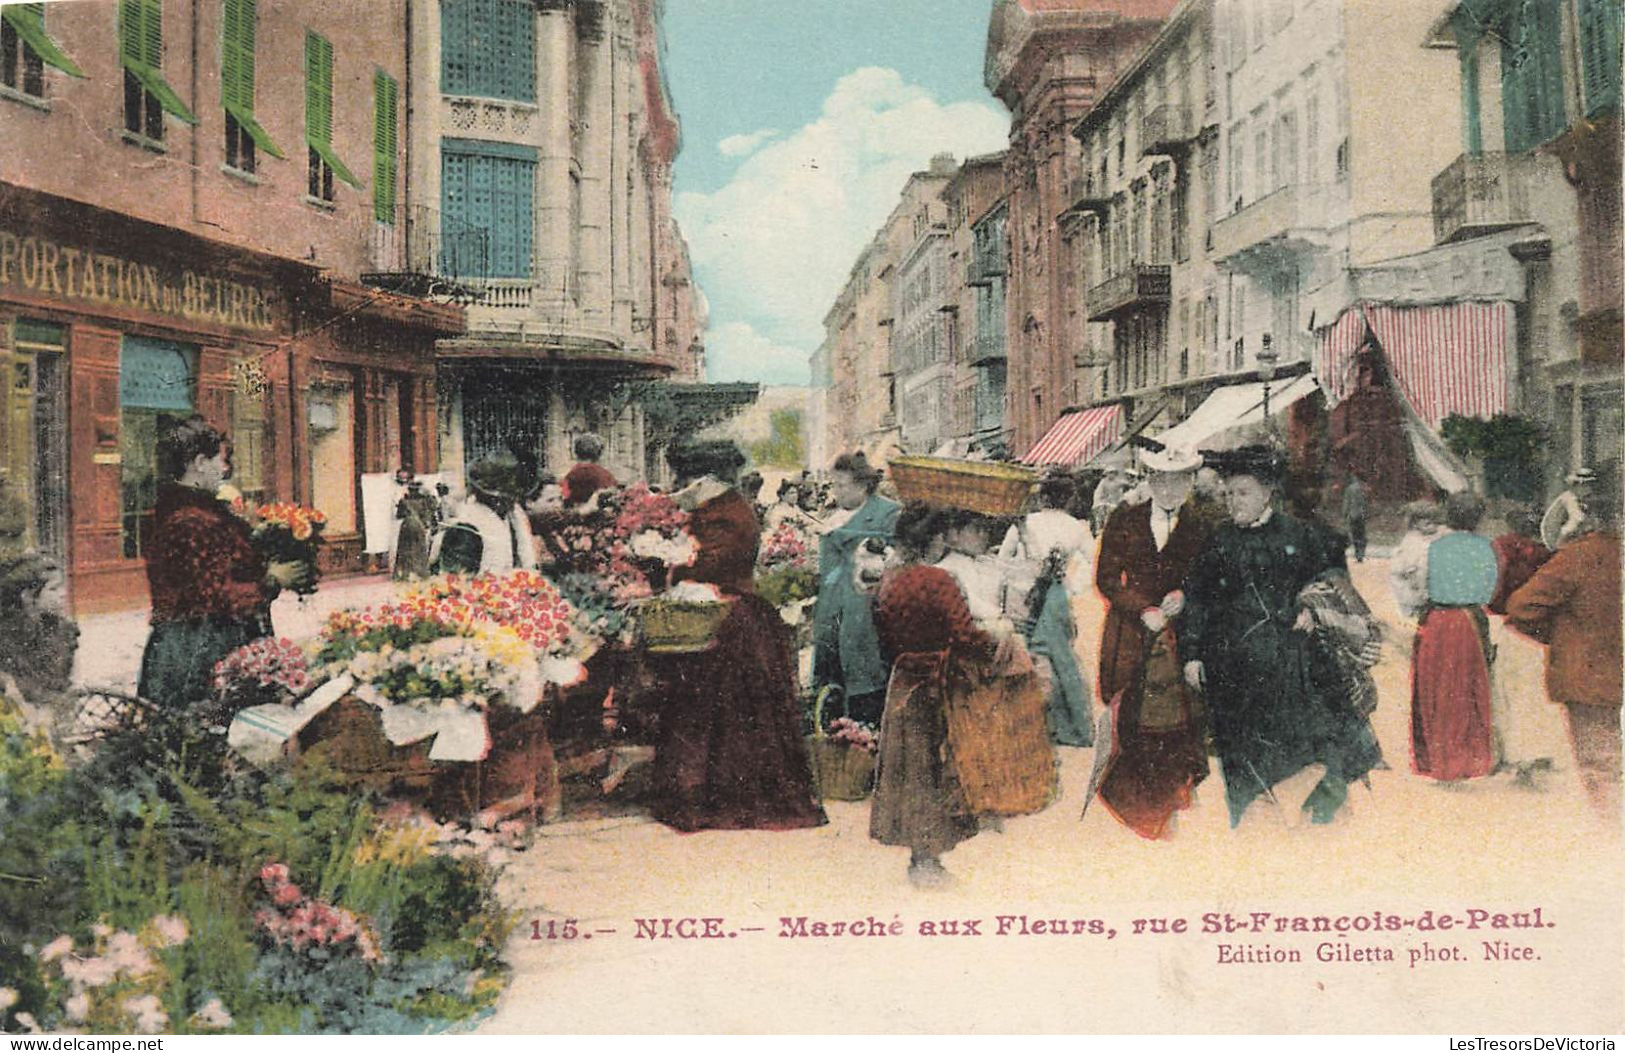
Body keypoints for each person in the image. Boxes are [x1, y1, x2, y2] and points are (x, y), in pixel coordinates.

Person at [1180, 445, 1382, 827]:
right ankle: (1253, 825)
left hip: (1291, 665)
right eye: (1228, 494)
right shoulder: (1216, 542)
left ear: (1267, 492)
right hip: (1230, 670)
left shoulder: (1304, 537)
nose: (1232, 502)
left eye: (1242, 493)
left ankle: (1312, 821)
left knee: (1304, 748)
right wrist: (1192, 653)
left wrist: (1312, 610)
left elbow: (1333, 588)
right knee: (1240, 757)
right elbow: (1197, 602)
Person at [646, 439, 827, 833]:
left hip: (729, 617)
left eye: (685, 477)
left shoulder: (725, 512)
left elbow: (713, 562)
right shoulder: (721, 506)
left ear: (704, 477)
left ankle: (713, 797)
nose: (681, 485)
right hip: (726, 612)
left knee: (719, 711)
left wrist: (671, 566)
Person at [871, 504, 1053, 886]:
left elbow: (885, 640)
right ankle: (928, 861)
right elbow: (965, 635)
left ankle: (918, 855)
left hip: (904, 681)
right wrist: (1001, 643)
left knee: (909, 769)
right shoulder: (939, 581)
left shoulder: (890, 581)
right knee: (936, 769)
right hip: (940, 682)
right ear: (935, 539)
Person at [138, 415, 308, 711]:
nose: (224, 469)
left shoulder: (193, 513)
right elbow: (212, 595)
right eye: (220, 460)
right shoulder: (191, 521)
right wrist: (272, 580)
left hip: (193, 643)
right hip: (198, 649)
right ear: (199, 463)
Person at [1091, 443, 1217, 839]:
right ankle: (1140, 813)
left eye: (1179, 479)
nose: (1170, 487)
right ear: (1150, 480)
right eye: (1162, 479)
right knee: (1130, 723)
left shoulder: (1204, 524)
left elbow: (1213, 579)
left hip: (1181, 637)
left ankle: (1168, 810)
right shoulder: (1124, 519)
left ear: (1190, 481)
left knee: (1179, 727)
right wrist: (1142, 608)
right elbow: (1107, 579)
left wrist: (1185, 594)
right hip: (1130, 634)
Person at [1505, 495, 1623, 822]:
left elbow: (1521, 607)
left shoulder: (1581, 556)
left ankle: (1611, 838)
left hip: (1592, 675)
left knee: (1603, 766)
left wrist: (1561, 637)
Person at [999, 473, 1094, 746]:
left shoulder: (1025, 523)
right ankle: (1070, 725)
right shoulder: (1076, 527)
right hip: (1057, 596)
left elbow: (1003, 561)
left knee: (1029, 655)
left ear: (1042, 497)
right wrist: (1072, 585)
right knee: (1061, 657)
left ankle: (1033, 722)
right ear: (1069, 498)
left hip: (1025, 596)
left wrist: (1016, 580)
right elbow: (1092, 562)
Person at [1410, 492, 1499, 783]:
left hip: (1437, 621)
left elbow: (1421, 587)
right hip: (1469, 622)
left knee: (1436, 689)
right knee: (1467, 689)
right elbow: (1489, 591)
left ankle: (1440, 761)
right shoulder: (1488, 547)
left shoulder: (1434, 547)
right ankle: (1465, 760)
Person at [810, 453, 900, 728]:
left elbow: (892, 560)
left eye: (842, 485)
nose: (836, 492)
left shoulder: (887, 513)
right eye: (834, 485)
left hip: (866, 611)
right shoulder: (833, 518)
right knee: (833, 680)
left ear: (862, 485)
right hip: (832, 611)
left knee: (866, 678)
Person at [435, 455, 539, 574]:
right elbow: (457, 578)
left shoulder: (514, 515)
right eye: (507, 496)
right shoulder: (466, 525)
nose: (513, 500)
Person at [1389, 501, 1447, 621]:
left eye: (1435, 522)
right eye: (1428, 523)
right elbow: (1416, 570)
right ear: (1415, 524)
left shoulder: (1426, 536)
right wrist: (1423, 591)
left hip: (1415, 586)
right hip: (1413, 589)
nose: (1433, 526)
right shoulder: (1413, 543)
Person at [392, 472, 440, 581]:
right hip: (419, 527)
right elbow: (431, 510)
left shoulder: (404, 501)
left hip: (406, 526)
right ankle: (420, 573)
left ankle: (404, 574)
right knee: (419, 550)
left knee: (405, 551)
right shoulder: (424, 501)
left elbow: (399, 515)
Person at [1539, 467, 1595, 551]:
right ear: (1579, 485)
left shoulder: (1583, 500)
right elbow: (1577, 520)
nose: (1590, 489)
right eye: (1587, 485)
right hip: (1562, 541)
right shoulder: (1569, 498)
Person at [561, 433, 617, 509]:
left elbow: (564, 498)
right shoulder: (606, 475)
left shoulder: (571, 475)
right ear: (599, 453)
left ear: (576, 452)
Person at [1341, 474, 1370, 563]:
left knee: (1355, 535)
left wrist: (1344, 514)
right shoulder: (1364, 488)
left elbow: (1346, 502)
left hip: (1352, 515)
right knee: (1362, 535)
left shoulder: (1349, 489)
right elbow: (1366, 503)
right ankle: (1361, 554)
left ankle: (1358, 554)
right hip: (1362, 515)